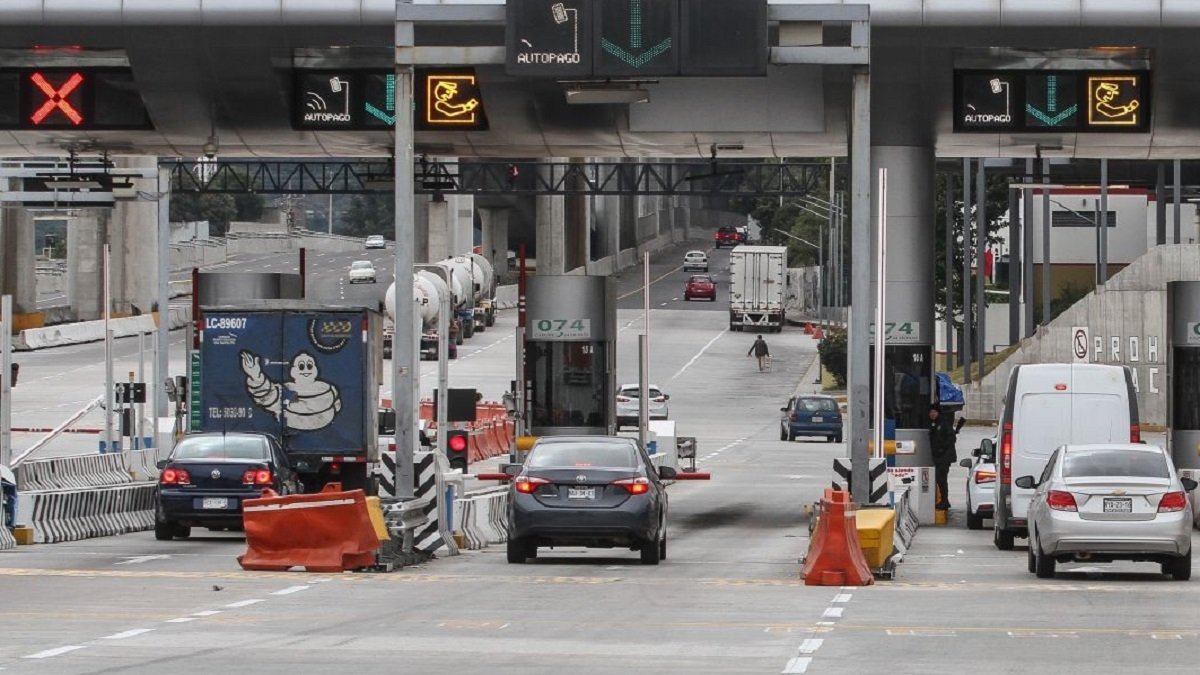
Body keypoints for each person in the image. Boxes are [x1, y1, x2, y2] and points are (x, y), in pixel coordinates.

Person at [928, 403, 958, 510]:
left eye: (934, 412)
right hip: (939, 456)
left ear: (938, 413)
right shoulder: (934, 424)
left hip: (944, 457)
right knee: (940, 479)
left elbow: (952, 438)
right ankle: (945, 500)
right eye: (930, 412)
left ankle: (944, 501)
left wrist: (942, 449)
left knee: (941, 479)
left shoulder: (943, 423)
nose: (932, 414)